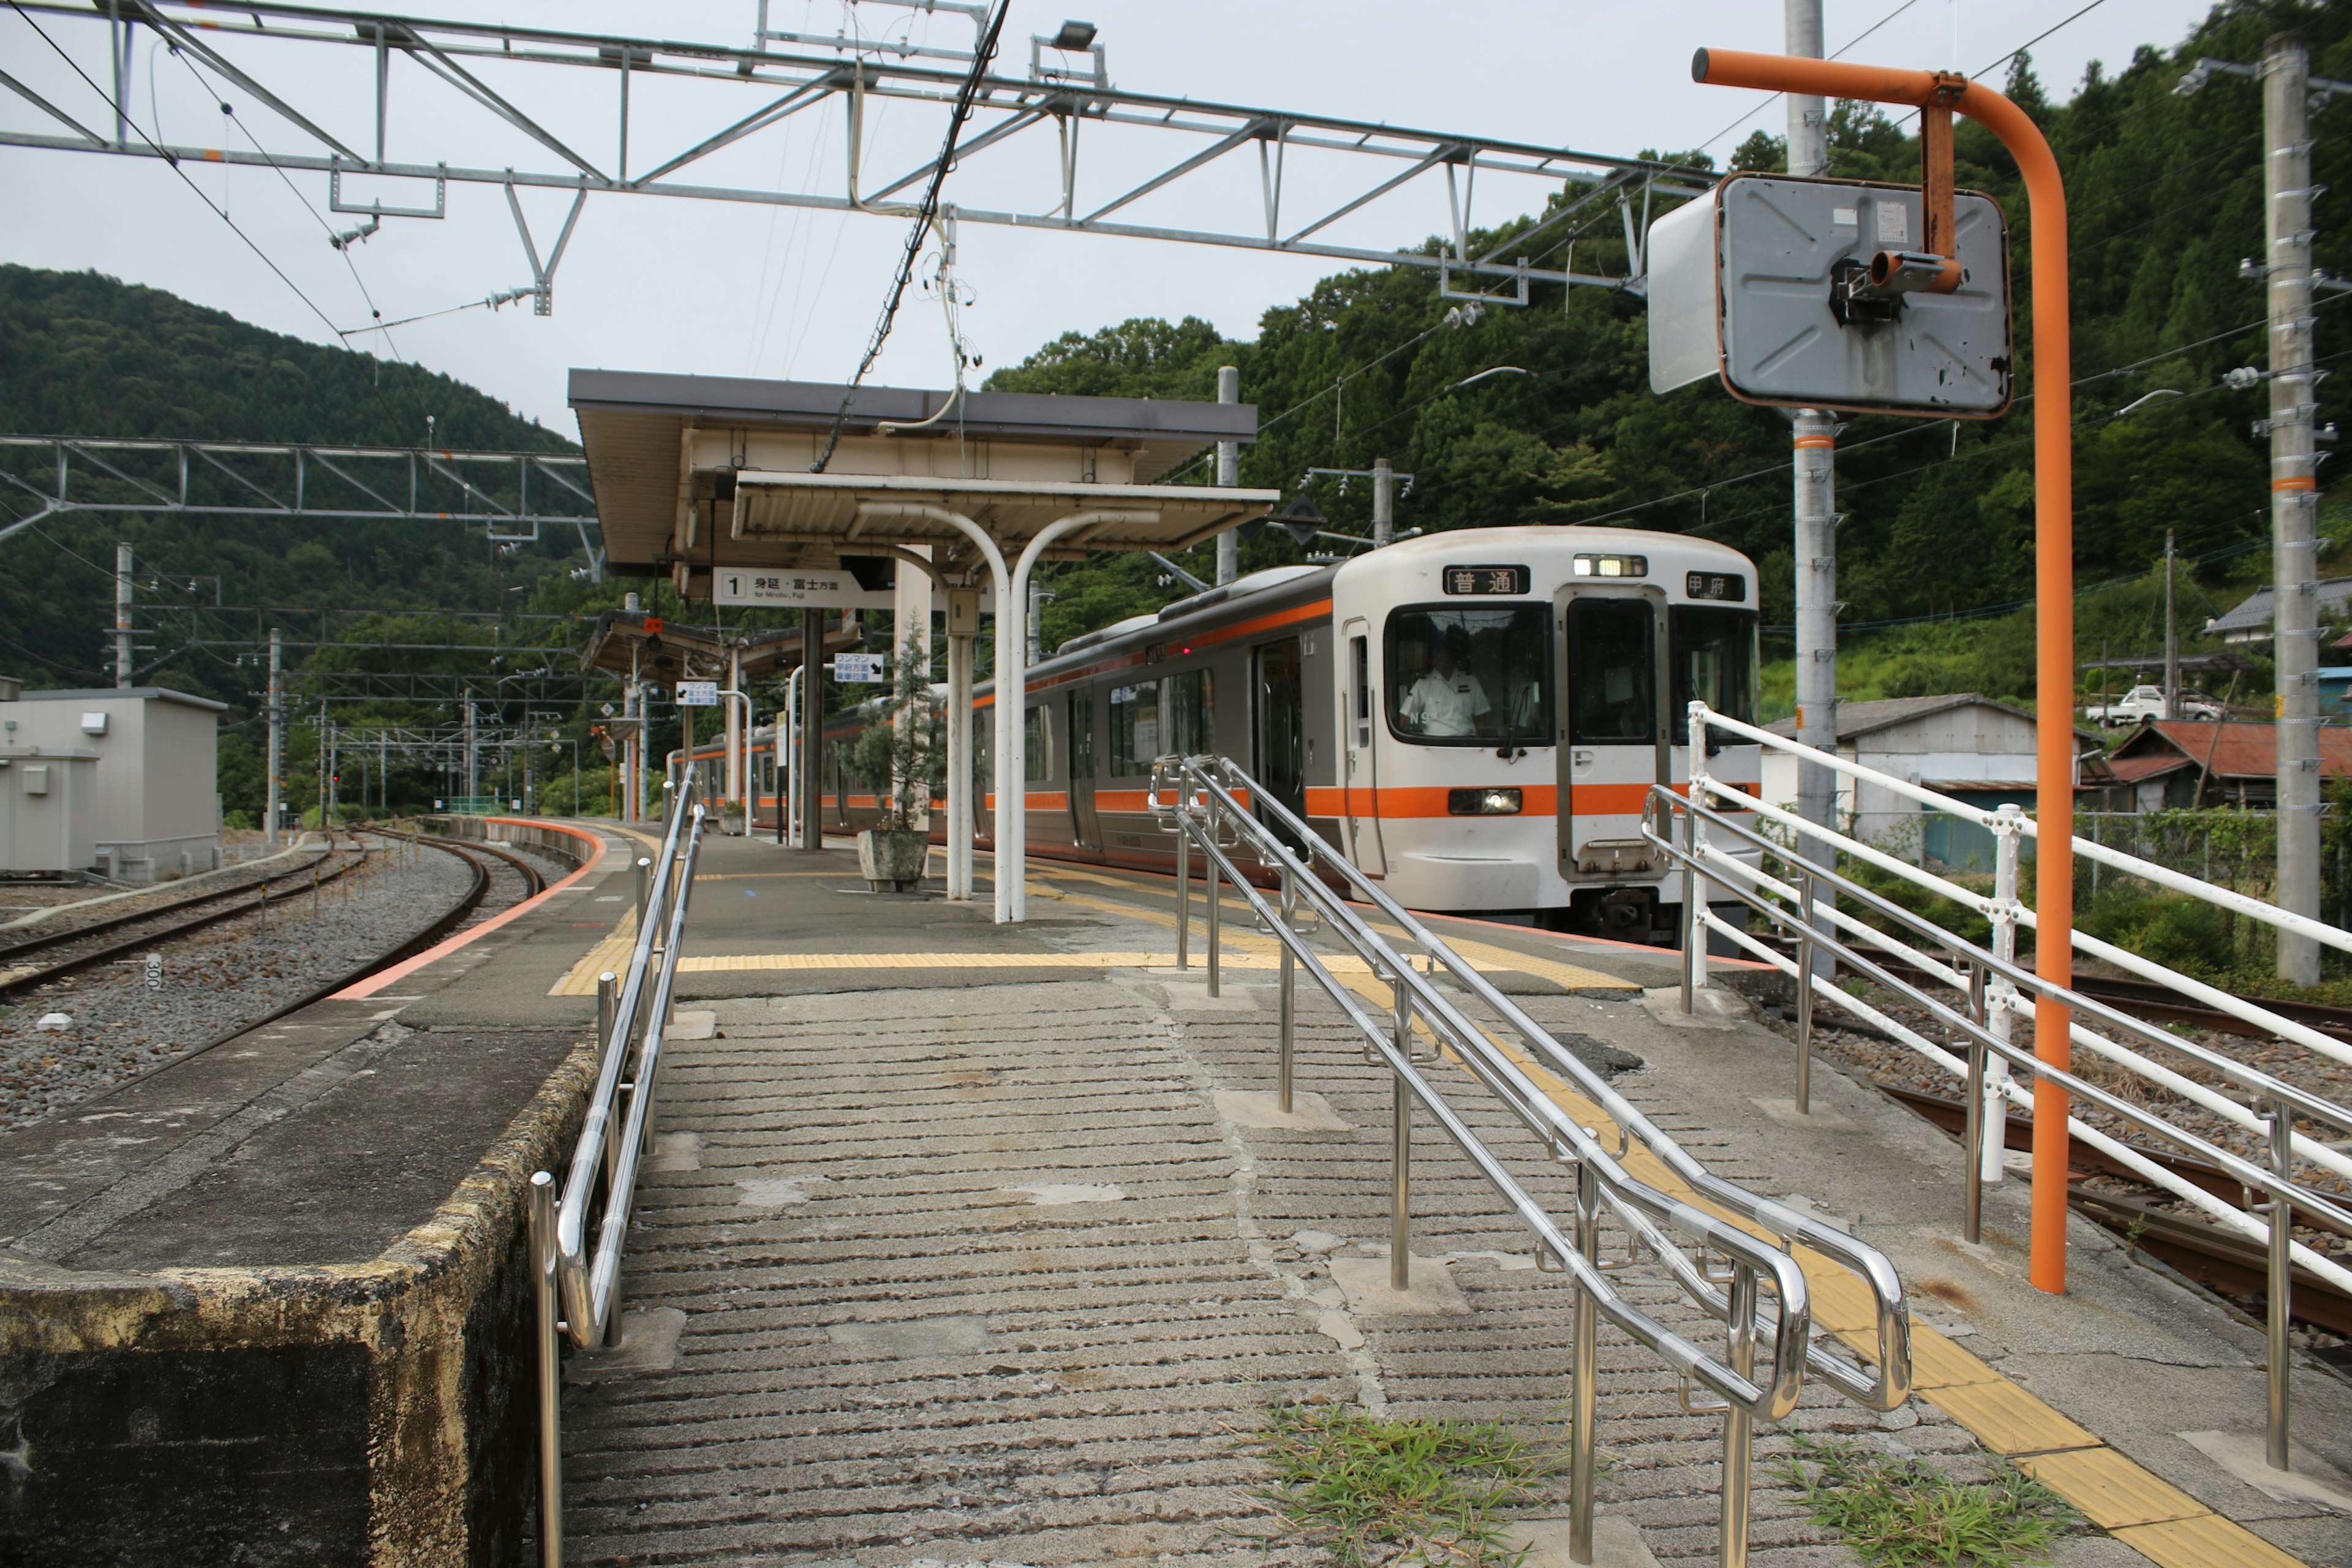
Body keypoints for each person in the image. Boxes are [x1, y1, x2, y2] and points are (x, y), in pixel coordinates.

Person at [1398, 625, 1491, 737]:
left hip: (1467, 745)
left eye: (1443, 652)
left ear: (1453, 655)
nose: (1439, 657)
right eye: (1435, 653)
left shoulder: (1471, 681)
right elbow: (1405, 717)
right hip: (1433, 746)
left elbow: (1480, 719)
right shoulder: (1423, 685)